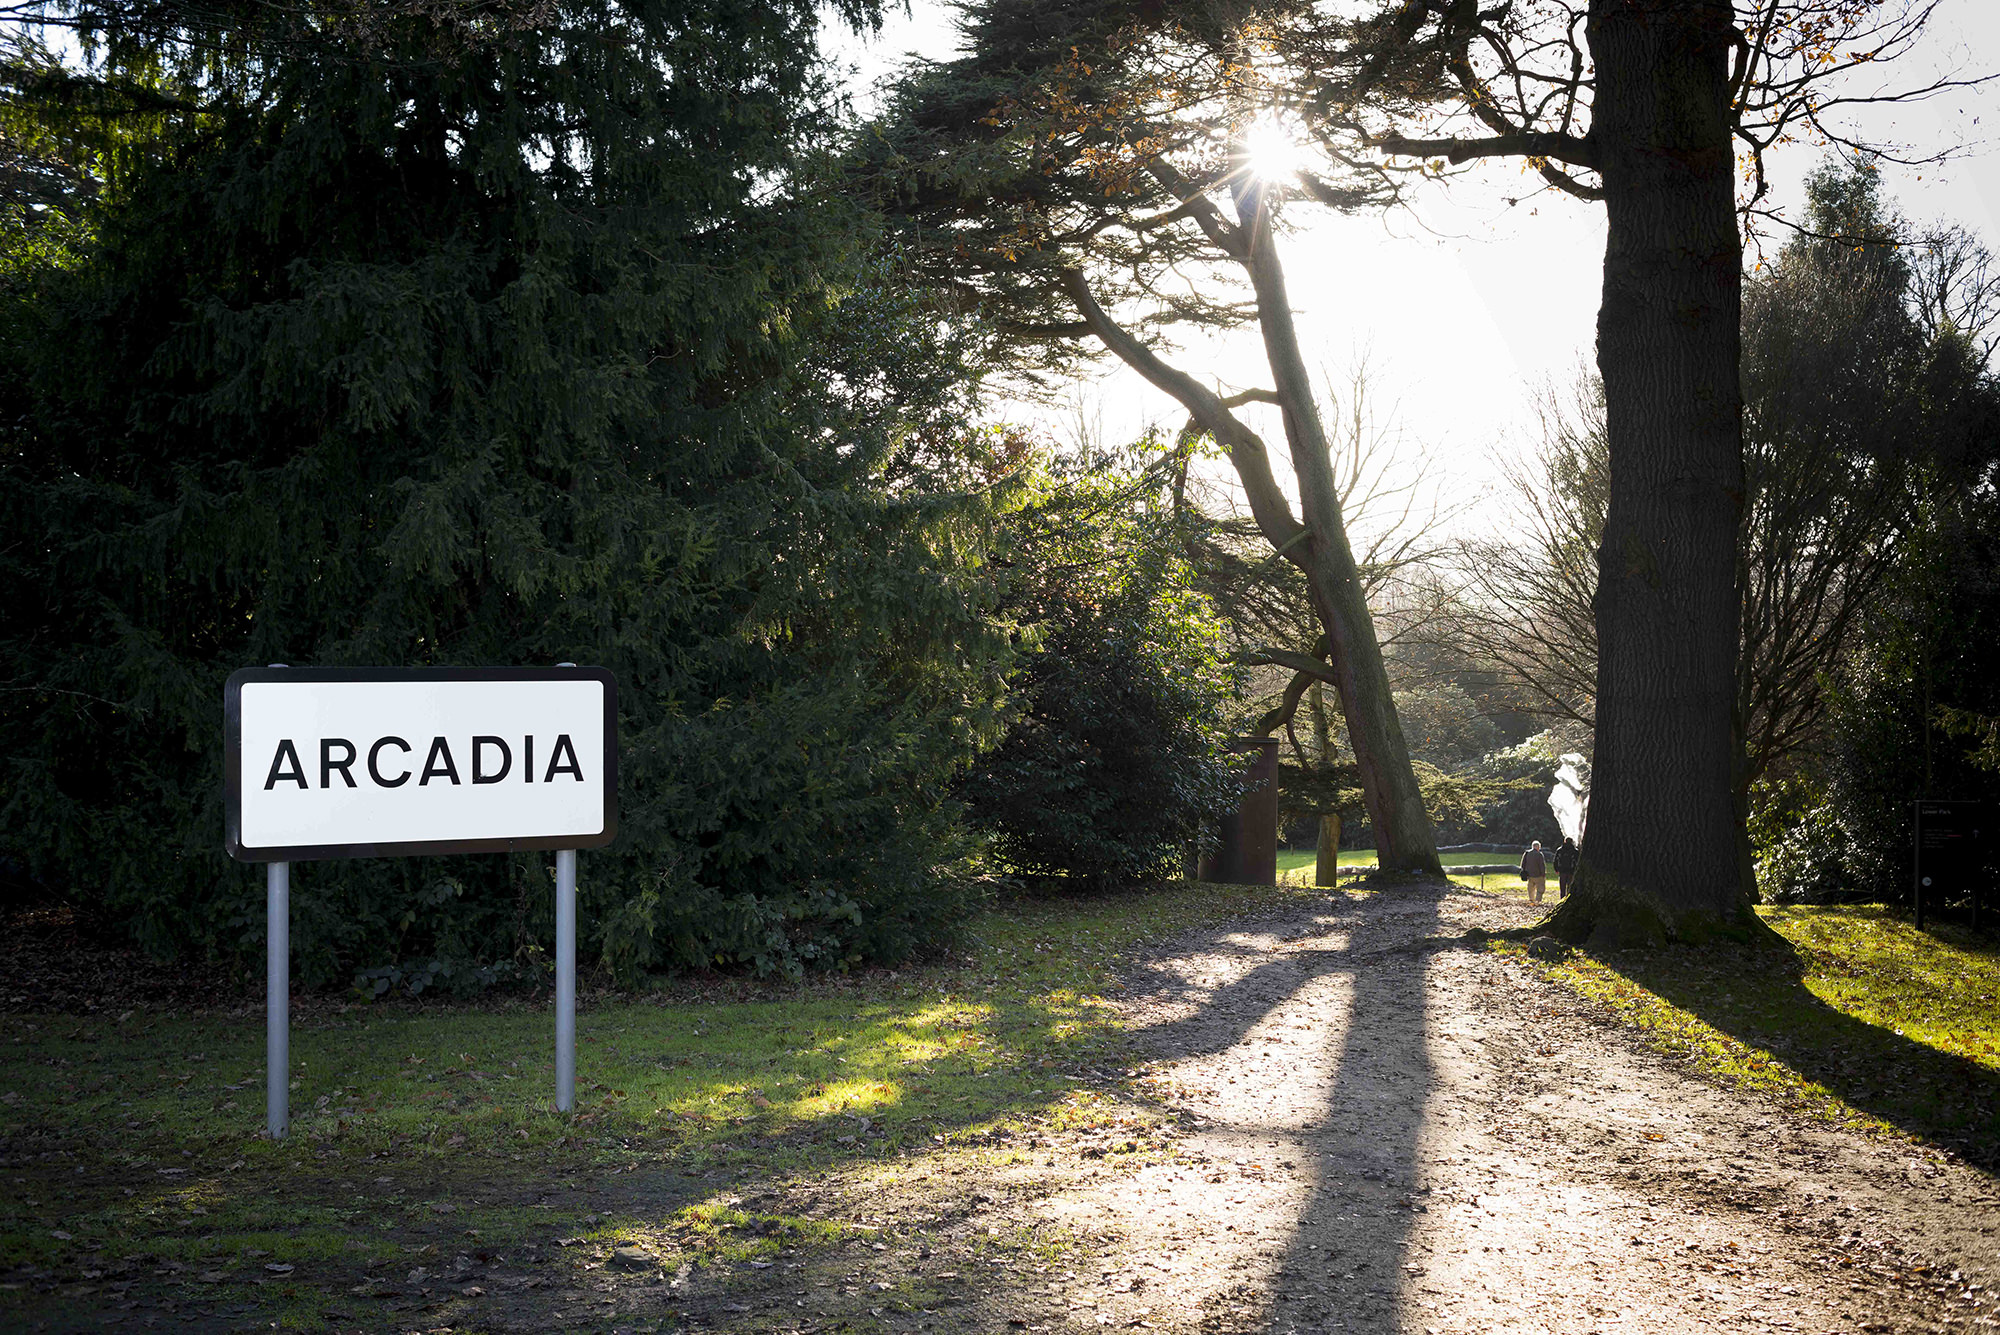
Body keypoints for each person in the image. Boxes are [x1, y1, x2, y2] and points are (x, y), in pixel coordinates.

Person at [1520, 840, 1548, 905]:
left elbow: (1522, 864)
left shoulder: (1527, 853)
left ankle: (1531, 899)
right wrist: (1543, 874)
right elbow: (1542, 865)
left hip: (1529, 875)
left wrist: (1525, 871)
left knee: (1531, 888)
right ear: (1538, 847)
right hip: (1538, 875)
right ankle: (1538, 900)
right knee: (1540, 888)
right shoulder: (1539, 854)